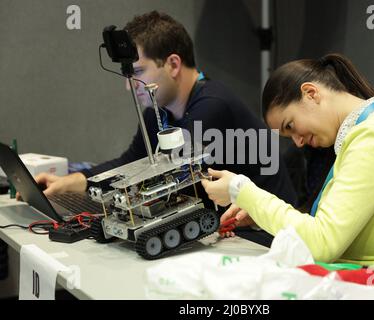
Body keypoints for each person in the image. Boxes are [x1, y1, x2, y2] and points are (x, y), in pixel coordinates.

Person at [201, 53, 374, 299]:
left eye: (290, 126)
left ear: (311, 93)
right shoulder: (369, 134)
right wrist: (260, 215)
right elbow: (328, 230)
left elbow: (321, 243)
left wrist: (242, 190)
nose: (297, 142)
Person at [31, 11, 297, 214]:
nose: (129, 86)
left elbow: (169, 173)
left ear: (172, 64)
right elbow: (130, 161)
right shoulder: (157, 111)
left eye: (137, 73)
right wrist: (71, 182)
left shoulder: (214, 104)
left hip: (262, 235)